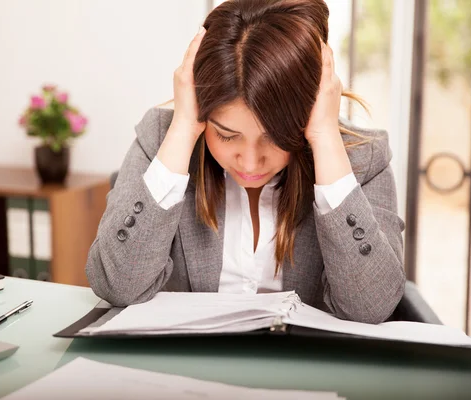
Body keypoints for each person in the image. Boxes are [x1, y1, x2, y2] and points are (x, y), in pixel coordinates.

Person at [86, 0, 405, 324]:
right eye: (226, 135)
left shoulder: (363, 159)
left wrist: (324, 137)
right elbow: (117, 285)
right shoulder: (162, 139)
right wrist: (183, 127)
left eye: (275, 137)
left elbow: (371, 308)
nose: (250, 163)